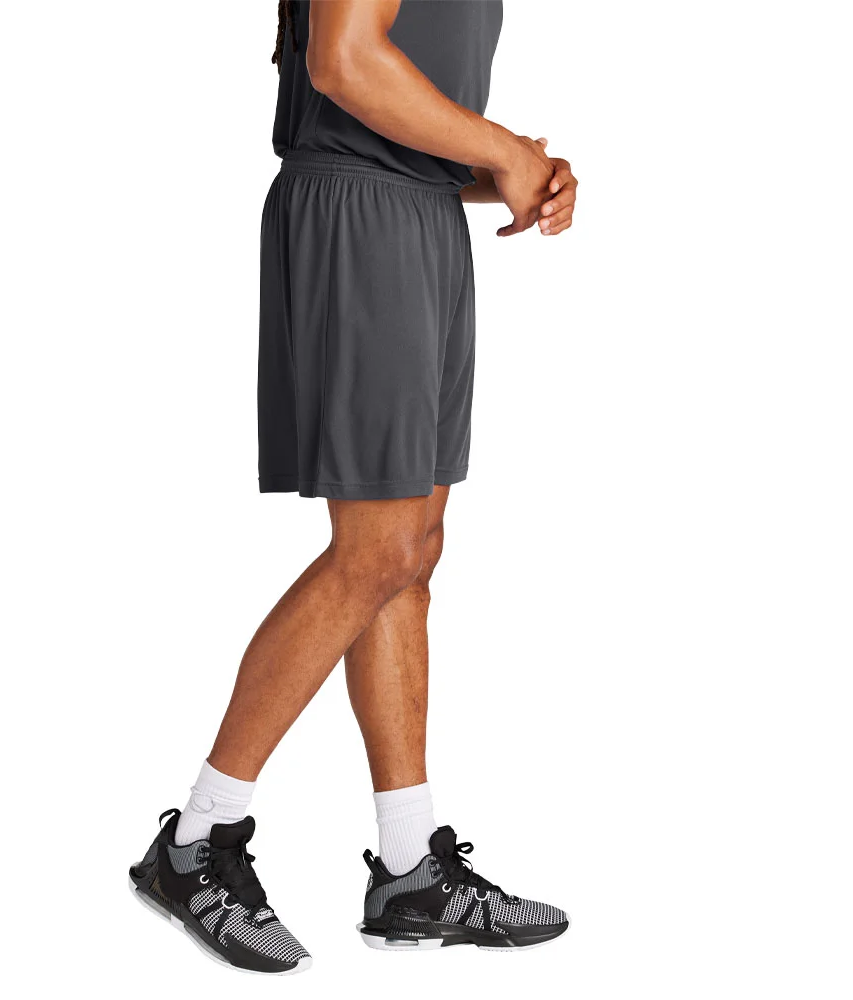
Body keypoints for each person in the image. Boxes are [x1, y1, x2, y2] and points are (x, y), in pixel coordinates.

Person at [128, 0, 578, 975]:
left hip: (418, 213)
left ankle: (411, 869)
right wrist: (501, 147)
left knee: (410, 556)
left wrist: (516, 169)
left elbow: (401, 105)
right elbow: (341, 62)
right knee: (376, 553)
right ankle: (195, 841)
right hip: (360, 214)